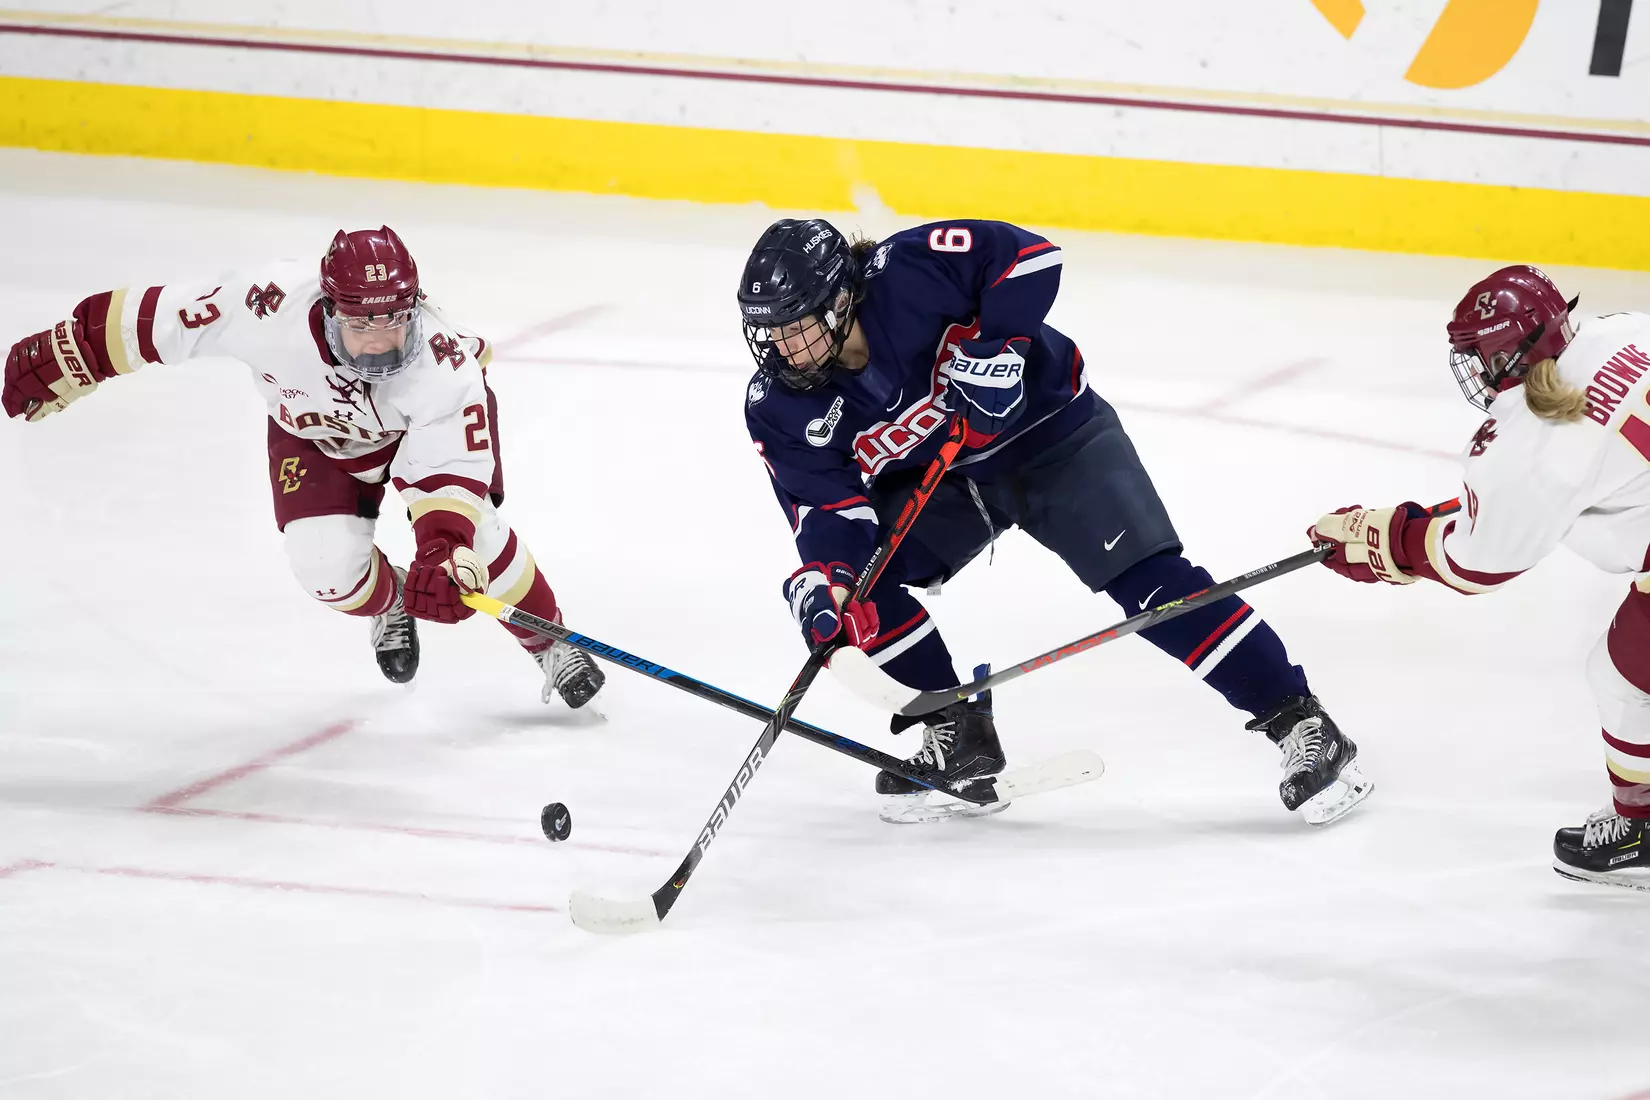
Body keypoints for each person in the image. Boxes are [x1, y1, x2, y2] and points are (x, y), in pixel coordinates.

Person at [738, 217, 1365, 824]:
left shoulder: (910, 268)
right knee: (863, 598)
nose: (784, 348)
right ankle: (957, 730)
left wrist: (998, 349)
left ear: (843, 296)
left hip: (1056, 439)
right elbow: (827, 506)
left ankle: (1299, 719)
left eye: (798, 325)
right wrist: (832, 579)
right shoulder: (779, 406)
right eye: (770, 332)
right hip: (956, 478)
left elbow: (1031, 257)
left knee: (1153, 588)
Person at [3, 226, 604, 708]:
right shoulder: (267, 308)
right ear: (330, 306)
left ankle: (551, 642)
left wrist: (444, 550)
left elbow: (449, 477)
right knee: (328, 574)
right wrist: (73, 348)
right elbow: (159, 318)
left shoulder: (444, 365)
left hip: (408, 440)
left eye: (394, 319)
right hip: (314, 441)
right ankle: (390, 601)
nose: (381, 339)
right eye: (363, 322)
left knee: (478, 545)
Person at [1309, 264, 1650, 890]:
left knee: (1626, 676)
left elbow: (1478, 564)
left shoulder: (1532, 438)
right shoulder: (1621, 331)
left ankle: (1642, 828)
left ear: (1505, 355)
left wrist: (1388, 543)